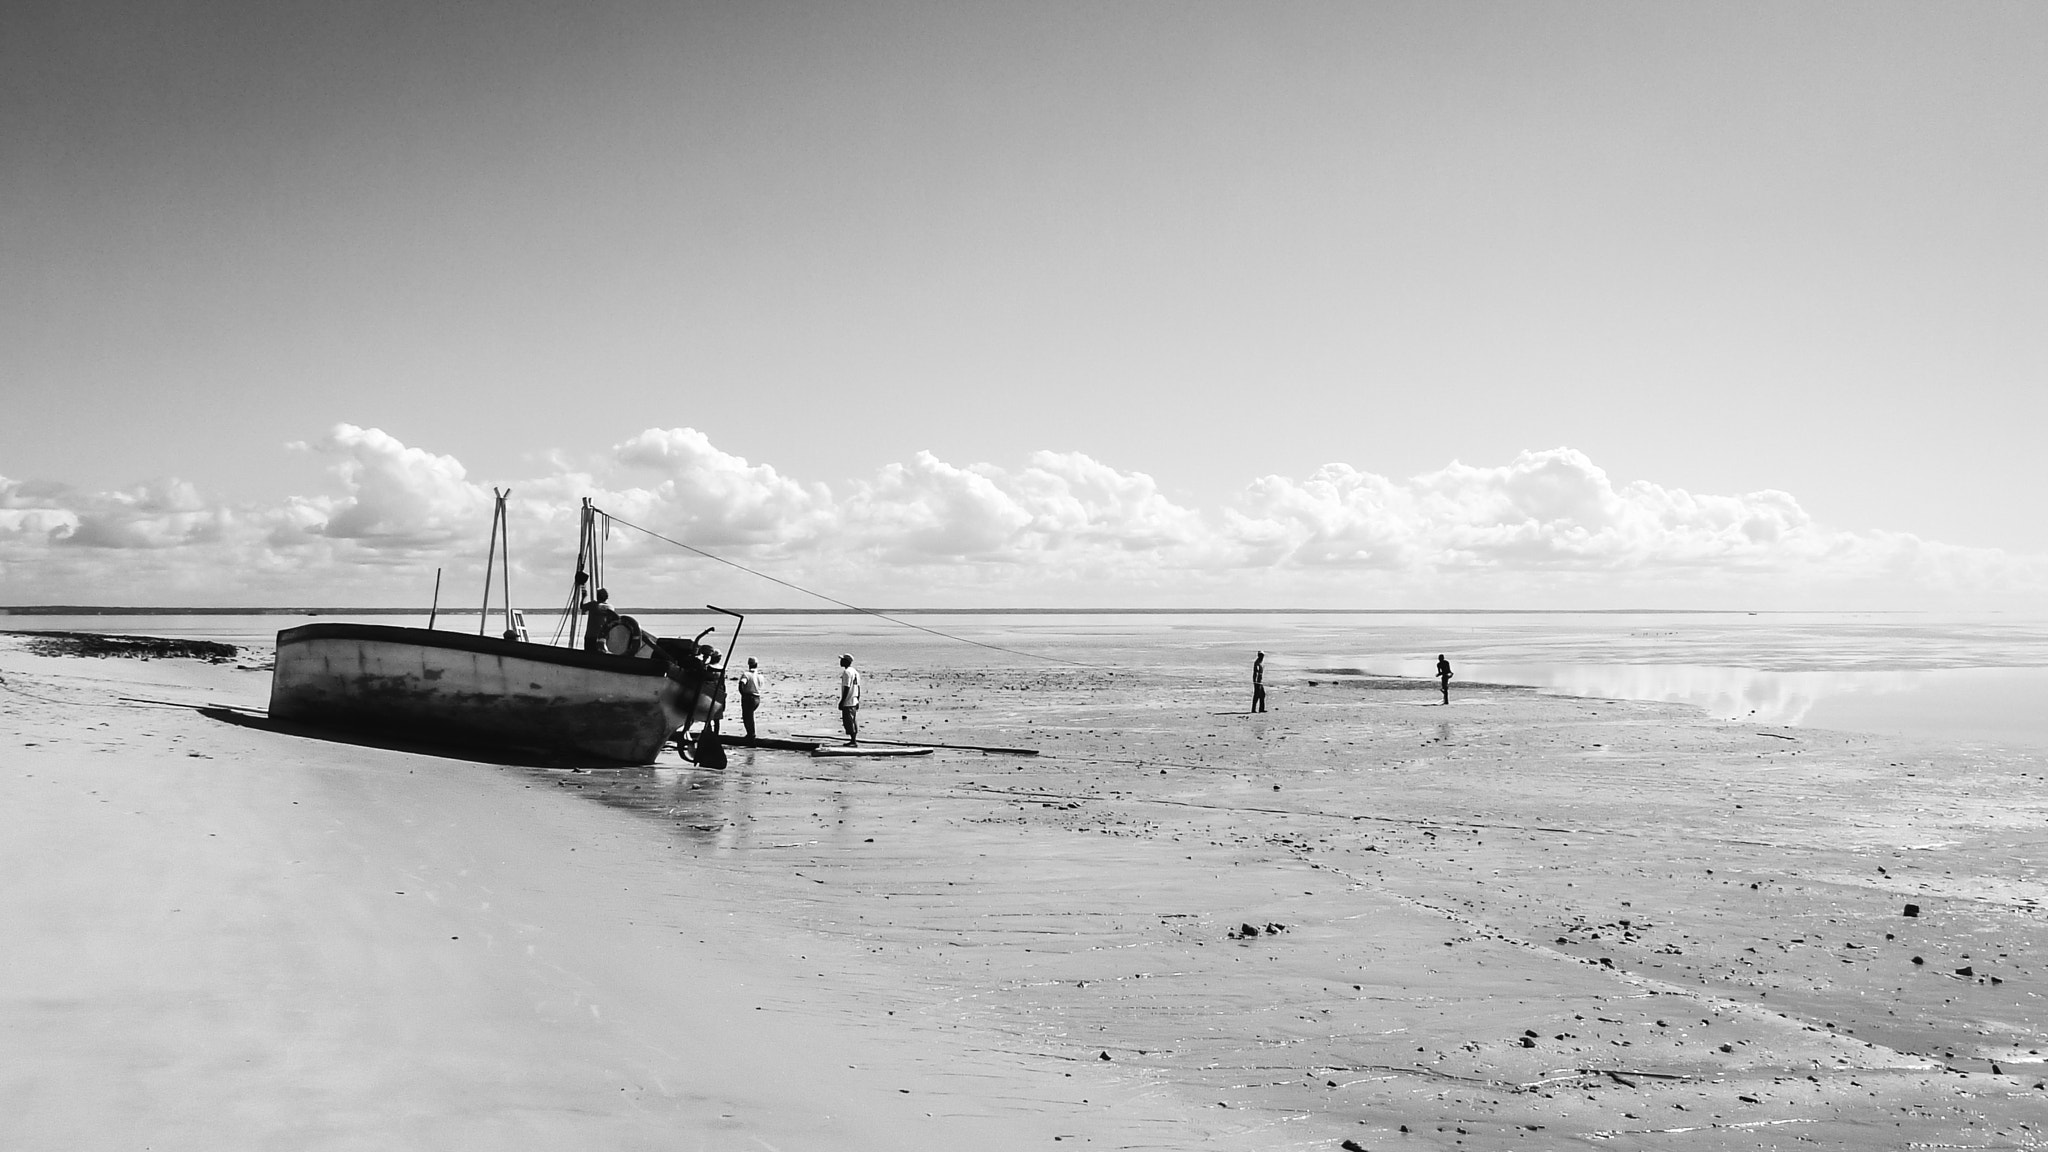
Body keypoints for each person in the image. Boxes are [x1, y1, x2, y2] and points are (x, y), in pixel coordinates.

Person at [582, 588, 619, 653]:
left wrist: (583, 597)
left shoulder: (592, 605)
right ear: (606, 597)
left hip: (591, 636)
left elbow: (582, 607)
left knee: (589, 655)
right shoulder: (610, 607)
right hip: (604, 637)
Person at [737, 656, 763, 740]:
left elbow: (741, 684)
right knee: (750, 715)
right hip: (757, 698)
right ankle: (751, 734)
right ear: (757, 664)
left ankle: (751, 734)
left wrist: (743, 694)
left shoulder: (746, 674)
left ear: (749, 664)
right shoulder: (760, 676)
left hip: (749, 697)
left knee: (747, 717)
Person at [838, 653, 861, 745]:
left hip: (848, 700)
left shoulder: (847, 672)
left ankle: (853, 741)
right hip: (854, 700)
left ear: (846, 661)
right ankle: (853, 739)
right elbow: (858, 687)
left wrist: (842, 701)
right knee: (853, 720)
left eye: (842, 660)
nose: (840, 661)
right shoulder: (855, 672)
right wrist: (858, 699)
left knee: (848, 721)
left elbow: (847, 687)